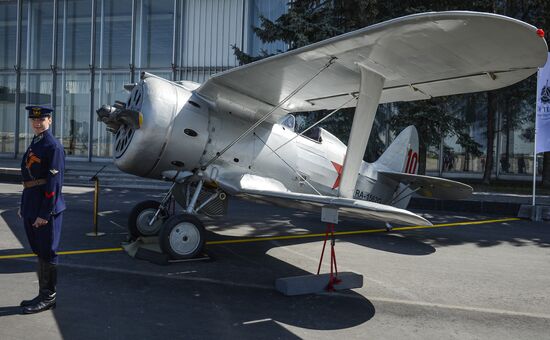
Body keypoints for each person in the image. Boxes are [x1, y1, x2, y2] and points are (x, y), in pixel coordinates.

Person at [17, 105, 65, 314]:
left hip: (45, 209)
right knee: (39, 251)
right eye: (34, 120)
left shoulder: (52, 146)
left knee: (48, 252)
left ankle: (49, 297)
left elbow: (54, 183)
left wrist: (45, 214)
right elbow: (29, 177)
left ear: (50, 121)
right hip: (32, 203)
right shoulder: (37, 142)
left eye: (42, 119)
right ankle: (42, 293)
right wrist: (24, 205)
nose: (37, 123)